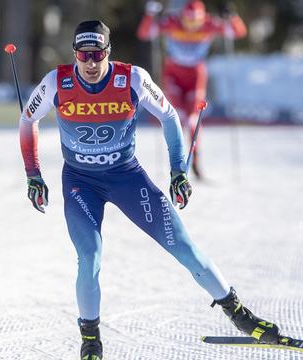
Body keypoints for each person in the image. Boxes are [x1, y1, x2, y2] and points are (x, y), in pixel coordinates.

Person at [19, 20, 279, 360]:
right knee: (89, 259)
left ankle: (241, 316)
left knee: (183, 247)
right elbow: (27, 121)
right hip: (81, 182)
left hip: (127, 178)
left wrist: (178, 172)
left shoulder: (133, 79)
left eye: (98, 54)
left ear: (108, 53)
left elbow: (170, 118)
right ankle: (91, 339)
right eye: (84, 55)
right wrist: (33, 174)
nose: (91, 63)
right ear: (75, 55)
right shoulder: (57, 81)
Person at [137, 0, 246, 179]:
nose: (191, 27)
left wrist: (232, 16)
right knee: (176, 115)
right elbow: (145, 33)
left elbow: (238, 32)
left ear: (202, 18)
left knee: (194, 119)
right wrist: (150, 14)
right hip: (173, 73)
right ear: (182, 17)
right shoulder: (173, 22)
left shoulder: (209, 24)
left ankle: (195, 158)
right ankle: (178, 160)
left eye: (195, 23)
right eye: (188, 22)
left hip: (196, 74)